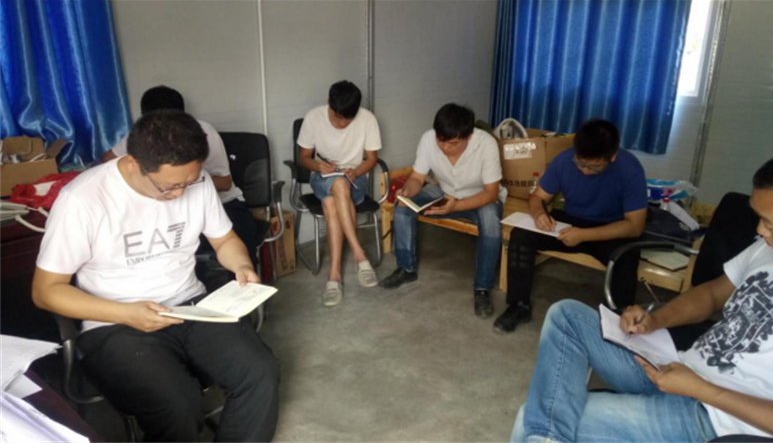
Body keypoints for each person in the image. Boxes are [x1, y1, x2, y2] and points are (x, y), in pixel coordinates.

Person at [509, 148, 773, 443]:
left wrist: (702, 390)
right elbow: (713, 294)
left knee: (532, 420)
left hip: (712, 417)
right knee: (567, 315)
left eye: (770, 223)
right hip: (678, 368)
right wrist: (655, 319)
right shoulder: (766, 248)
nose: (760, 230)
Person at [33, 111, 280, 443]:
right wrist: (126, 313)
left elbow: (225, 240)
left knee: (260, 372)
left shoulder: (198, 181)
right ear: (132, 163)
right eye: (169, 186)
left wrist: (242, 265)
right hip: (114, 321)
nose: (179, 195)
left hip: (190, 306)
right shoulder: (83, 200)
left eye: (187, 183)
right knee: (177, 405)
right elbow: (46, 291)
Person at [496, 119, 647, 334]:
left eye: (594, 166)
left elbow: (634, 226)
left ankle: (618, 321)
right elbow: (537, 197)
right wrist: (539, 214)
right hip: (571, 221)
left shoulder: (630, 169)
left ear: (612, 156)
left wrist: (584, 235)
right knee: (521, 236)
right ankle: (518, 306)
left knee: (626, 255)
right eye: (580, 163)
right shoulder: (564, 160)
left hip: (611, 228)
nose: (585, 171)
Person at [103, 85, 258, 268]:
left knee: (240, 248)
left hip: (224, 203)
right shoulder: (142, 137)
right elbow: (107, 161)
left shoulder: (202, 134)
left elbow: (224, 183)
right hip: (166, 209)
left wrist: (184, 183)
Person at [379, 103, 505, 319]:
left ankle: (482, 288)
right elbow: (417, 178)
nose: (445, 148)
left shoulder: (486, 144)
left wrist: (458, 205)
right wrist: (407, 191)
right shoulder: (428, 139)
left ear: (469, 136)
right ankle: (406, 269)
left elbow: (492, 194)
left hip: (479, 197)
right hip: (444, 191)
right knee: (403, 207)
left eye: (453, 143)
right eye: (441, 140)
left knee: (491, 222)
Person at [297, 80, 382, 306]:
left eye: (348, 119)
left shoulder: (368, 119)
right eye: (337, 117)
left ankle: (333, 276)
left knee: (330, 203)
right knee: (339, 186)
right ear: (328, 104)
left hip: (355, 179)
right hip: (321, 177)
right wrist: (318, 166)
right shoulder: (313, 117)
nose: (342, 123)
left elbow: (371, 159)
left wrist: (356, 171)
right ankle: (359, 254)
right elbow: (303, 158)